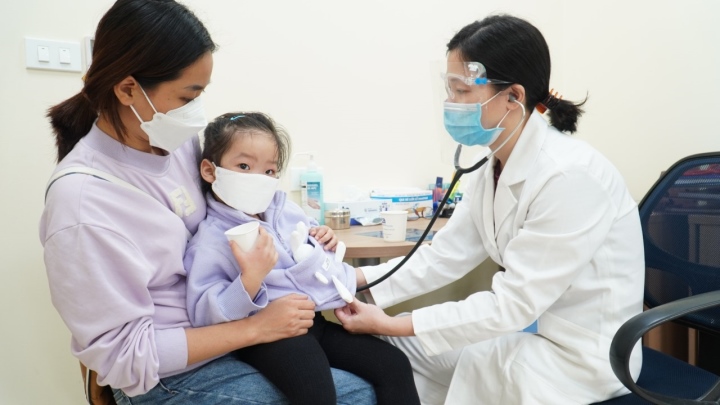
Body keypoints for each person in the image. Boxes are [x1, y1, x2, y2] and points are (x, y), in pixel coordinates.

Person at [39, 1, 375, 403]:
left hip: (235, 326)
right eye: (188, 97)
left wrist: (306, 234)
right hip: (172, 374)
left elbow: (247, 204)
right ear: (128, 89)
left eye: (201, 94)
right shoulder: (83, 204)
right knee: (361, 395)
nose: (196, 113)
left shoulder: (176, 144)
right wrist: (255, 328)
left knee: (390, 365)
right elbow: (127, 358)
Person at [334, 14, 645, 405]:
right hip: (531, 335)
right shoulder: (492, 164)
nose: (451, 103)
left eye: (462, 90)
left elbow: (512, 304)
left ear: (513, 96)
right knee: (390, 351)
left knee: (401, 344)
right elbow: (446, 255)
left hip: (582, 361)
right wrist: (350, 280)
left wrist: (394, 323)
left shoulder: (571, 176)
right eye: (449, 90)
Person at [185, 112, 420, 405]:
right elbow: (204, 314)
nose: (259, 179)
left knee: (394, 364)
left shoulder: (284, 210)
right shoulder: (210, 239)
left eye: (269, 171)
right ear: (210, 171)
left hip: (314, 321)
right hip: (270, 335)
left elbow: (309, 246)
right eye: (244, 166)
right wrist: (250, 280)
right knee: (316, 391)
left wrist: (323, 238)